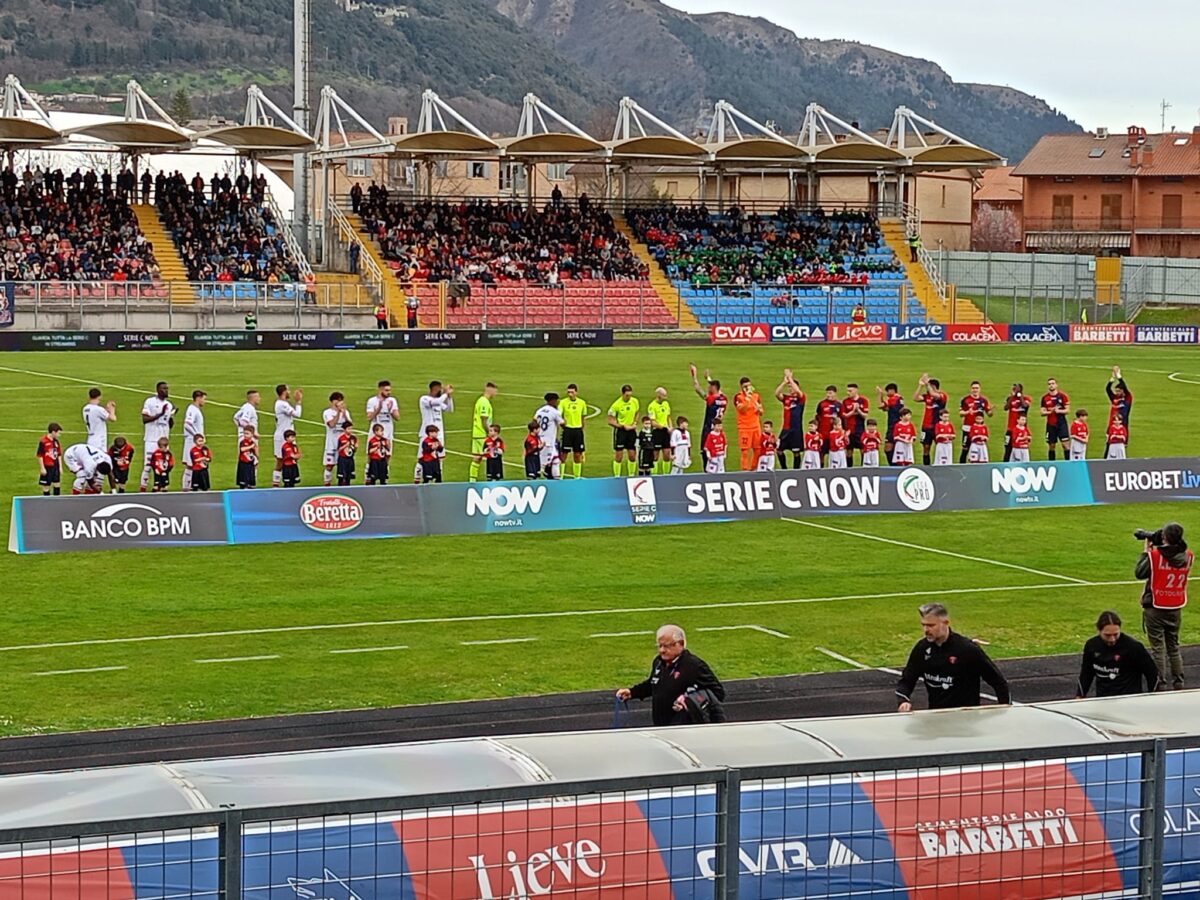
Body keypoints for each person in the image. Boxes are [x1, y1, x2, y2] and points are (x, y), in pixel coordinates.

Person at [896, 602, 1011, 711]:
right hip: (936, 718)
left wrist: (1006, 711)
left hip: (967, 719)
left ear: (945, 623)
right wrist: (903, 700)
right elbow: (907, 680)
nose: (926, 630)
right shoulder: (922, 649)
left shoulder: (967, 650)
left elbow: (998, 681)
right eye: (924, 625)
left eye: (931, 625)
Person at [615, 625, 726, 726]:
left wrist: (689, 702)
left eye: (667, 646)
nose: (662, 650)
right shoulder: (658, 662)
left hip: (686, 728)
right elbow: (654, 684)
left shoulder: (694, 665)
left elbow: (718, 692)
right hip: (662, 725)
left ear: (681, 644)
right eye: (660, 645)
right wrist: (632, 692)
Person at [1136, 523, 1193, 691]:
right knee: (1174, 647)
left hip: (1156, 605)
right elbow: (1174, 555)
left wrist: (1146, 552)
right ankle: (1179, 681)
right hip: (1175, 605)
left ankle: (1160, 683)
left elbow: (1140, 573)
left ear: (1164, 538)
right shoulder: (1188, 556)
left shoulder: (1155, 556)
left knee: (1158, 648)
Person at [1076, 611, 1159, 698]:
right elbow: (1086, 673)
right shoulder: (1092, 646)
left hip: (1129, 700)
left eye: (1116, 634)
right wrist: (1080, 695)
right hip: (1103, 699)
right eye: (1107, 635)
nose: (1112, 639)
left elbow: (1152, 673)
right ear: (1099, 630)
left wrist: (1152, 697)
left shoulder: (1133, 647)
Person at [417, 381, 454, 483]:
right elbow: (436, 402)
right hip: (426, 434)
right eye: (440, 389)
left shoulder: (439, 401)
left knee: (439, 458)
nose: (441, 391)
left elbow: (450, 409)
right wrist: (446, 393)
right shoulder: (424, 399)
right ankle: (417, 479)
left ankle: (438, 480)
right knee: (422, 458)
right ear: (434, 389)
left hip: (439, 434)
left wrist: (449, 397)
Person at [690, 365, 727, 468]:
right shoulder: (724, 399)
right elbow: (718, 391)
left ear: (714, 388)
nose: (708, 388)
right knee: (719, 452)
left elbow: (697, 389)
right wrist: (708, 379)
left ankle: (707, 472)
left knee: (705, 451)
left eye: (710, 386)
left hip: (709, 429)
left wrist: (694, 376)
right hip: (719, 429)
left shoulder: (711, 400)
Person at [140, 382, 174, 492]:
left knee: (163, 466)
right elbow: (145, 420)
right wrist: (160, 413)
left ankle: (160, 488)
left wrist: (171, 417)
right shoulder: (150, 402)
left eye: (167, 388)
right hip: (151, 438)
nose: (166, 390)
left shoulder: (169, 405)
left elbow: (169, 423)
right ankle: (143, 488)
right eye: (164, 388)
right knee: (148, 465)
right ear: (158, 390)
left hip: (163, 440)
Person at [273, 385, 303, 488]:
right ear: (284, 392)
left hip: (287, 435)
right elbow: (297, 414)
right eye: (288, 390)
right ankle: (276, 484)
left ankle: (290, 481)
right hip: (283, 436)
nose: (290, 392)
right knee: (281, 460)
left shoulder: (282, 403)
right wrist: (298, 402)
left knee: (291, 460)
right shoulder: (282, 404)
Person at [915, 374, 948, 466]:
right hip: (926, 426)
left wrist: (927, 384)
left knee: (940, 446)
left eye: (929, 386)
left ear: (934, 387)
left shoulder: (942, 396)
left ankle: (941, 464)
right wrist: (920, 385)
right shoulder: (927, 397)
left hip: (937, 426)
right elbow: (915, 398)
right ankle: (927, 466)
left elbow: (934, 395)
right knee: (926, 447)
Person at [776, 369, 806, 469]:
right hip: (786, 429)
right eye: (789, 387)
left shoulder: (801, 398)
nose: (790, 389)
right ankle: (784, 468)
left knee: (796, 452)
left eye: (791, 387)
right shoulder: (786, 399)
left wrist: (790, 379)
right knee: (779, 449)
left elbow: (798, 391)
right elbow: (777, 394)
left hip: (796, 429)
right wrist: (784, 382)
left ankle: (796, 471)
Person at [607, 384, 640, 477]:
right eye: (627, 395)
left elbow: (637, 412)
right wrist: (621, 426)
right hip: (621, 431)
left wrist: (635, 423)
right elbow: (610, 420)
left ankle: (631, 475)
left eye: (630, 395)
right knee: (619, 455)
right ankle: (617, 476)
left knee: (632, 454)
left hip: (631, 431)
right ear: (622, 394)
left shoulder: (635, 401)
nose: (629, 397)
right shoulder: (616, 405)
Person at [469, 383, 498, 482]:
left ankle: (472, 480)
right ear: (490, 389)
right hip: (482, 434)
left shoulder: (480, 400)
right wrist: (489, 432)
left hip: (477, 433)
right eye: (495, 391)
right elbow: (484, 419)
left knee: (477, 458)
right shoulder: (484, 402)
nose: (496, 393)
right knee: (491, 456)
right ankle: (492, 478)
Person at [733, 376, 764, 471]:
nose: (747, 388)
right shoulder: (738, 397)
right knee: (745, 451)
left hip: (756, 427)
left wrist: (760, 410)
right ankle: (745, 470)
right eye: (745, 386)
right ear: (741, 387)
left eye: (749, 386)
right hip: (744, 428)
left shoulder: (756, 396)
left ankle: (753, 469)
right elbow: (742, 410)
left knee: (758, 449)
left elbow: (761, 411)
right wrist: (747, 398)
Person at [958, 381, 993, 464]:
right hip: (968, 428)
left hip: (979, 428)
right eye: (973, 388)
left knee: (979, 448)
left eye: (976, 388)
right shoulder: (965, 400)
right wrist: (967, 412)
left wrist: (991, 411)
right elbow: (960, 414)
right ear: (971, 389)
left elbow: (989, 414)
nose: (975, 390)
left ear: (980, 389)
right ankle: (961, 467)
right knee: (965, 448)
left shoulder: (983, 400)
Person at [560, 384, 589, 479]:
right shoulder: (563, 402)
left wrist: (582, 430)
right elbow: (559, 416)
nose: (570, 394)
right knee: (564, 453)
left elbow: (583, 417)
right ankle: (560, 476)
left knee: (577, 454)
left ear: (576, 392)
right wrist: (564, 426)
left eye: (572, 392)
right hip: (568, 430)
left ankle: (577, 476)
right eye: (568, 392)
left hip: (578, 430)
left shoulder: (582, 403)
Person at [323, 392, 351, 487]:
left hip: (343, 444)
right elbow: (332, 424)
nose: (339, 402)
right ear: (332, 401)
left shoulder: (345, 412)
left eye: (340, 400)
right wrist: (338, 413)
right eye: (337, 400)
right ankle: (327, 483)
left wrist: (344, 414)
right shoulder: (327, 412)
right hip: (331, 443)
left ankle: (343, 483)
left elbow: (349, 425)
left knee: (343, 464)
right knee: (329, 465)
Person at [534, 392, 565, 480]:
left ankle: (556, 479)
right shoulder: (555, 412)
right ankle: (547, 481)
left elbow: (534, 421)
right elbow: (563, 424)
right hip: (549, 440)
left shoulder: (540, 410)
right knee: (545, 463)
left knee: (555, 460)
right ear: (553, 401)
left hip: (540, 438)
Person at [1040, 377, 1071, 461]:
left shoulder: (1062, 396)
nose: (1051, 385)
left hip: (1061, 423)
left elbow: (1067, 410)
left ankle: (1068, 463)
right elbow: (1042, 412)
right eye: (1049, 384)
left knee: (1065, 444)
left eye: (1053, 383)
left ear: (1056, 385)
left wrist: (1059, 411)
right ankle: (1052, 463)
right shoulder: (1045, 398)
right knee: (1051, 445)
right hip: (1051, 424)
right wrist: (1050, 412)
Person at [839, 384, 869, 468]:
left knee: (862, 449)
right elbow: (844, 415)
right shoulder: (845, 401)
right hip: (849, 429)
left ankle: (863, 468)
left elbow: (865, 415)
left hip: (860, 429)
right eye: (847, 391)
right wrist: (853, 411)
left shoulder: (863, 400)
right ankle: (849, 469)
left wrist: (858, 410)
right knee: (849, 450)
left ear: (856, 390)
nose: (848, 393)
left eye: (850, 391)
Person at [874, 383, 904, 466]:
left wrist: (879, 394)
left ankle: (893, 466)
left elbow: (880, 405)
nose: (887, 394)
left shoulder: (893, 398)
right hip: (898, 425)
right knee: (895, 447)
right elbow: (886, 408)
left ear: (892, 390)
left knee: (888, 448)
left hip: (893, 426)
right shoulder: (899, 399)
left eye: (887, 391)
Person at [182, 390, 206, 491]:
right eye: (204, 399)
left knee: (194, 465)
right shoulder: (192, 409)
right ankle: (186, 488)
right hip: (191, 441)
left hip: (195, 441)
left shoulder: (196, 409)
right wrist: (197, 435)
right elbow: (187, 424)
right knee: (190, 465)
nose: (204, 402)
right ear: (198, 398)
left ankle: (191, 486)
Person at [1105, 366, 1133, 454]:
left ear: (1123, 391)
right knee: (1109, 444)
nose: (1117, 393)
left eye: (1119, 391)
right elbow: (1107, 389)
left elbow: (1125, 387)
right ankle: (1105, 462)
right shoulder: (1114, 398)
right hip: (1111, 424)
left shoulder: (1127, 398)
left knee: (1122, 447)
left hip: (1123, 424)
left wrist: (1119, 376)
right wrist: (1112, 378)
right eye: (1116, 391)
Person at [1002, 383, 1031, 463]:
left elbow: (1025, 406)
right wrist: (1012, 397)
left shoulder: (1026, 398)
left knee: (1022, 448)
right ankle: (1005, 465)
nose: (1014, 390)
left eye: (1016, 389)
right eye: (1014, 389)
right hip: (1010, 429)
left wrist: (1020, 396)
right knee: (1007, 448)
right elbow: (1006, 408)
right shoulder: (1010, 398)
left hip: (1021, 430)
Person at [366, 380, 400, 448]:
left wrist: (390, 409)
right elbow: (369, 418)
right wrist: (378, 409)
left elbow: (397, 418)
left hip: (388, 431)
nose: (389, 392)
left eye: (390, 390)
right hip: (375, 432)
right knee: (373, 454)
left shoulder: (392, 400)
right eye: (386, 390)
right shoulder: (372, 401)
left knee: (387, 453)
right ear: (380, 390)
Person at [647, 387, 673, 475]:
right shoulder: (652, 406)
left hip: (666, 432)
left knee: (667, 454)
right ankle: (654, 475)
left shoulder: (666, 404)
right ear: (658, 395)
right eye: (664, 396)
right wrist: (663, 427)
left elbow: (668, 417)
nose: (666, 398)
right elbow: (653, 422)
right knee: (655, 455)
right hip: (657, 432)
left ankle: (666, 475)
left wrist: (670, 427)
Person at [815, 385, 841, 465]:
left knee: (834, 452)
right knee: (821, 453)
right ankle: (821, 469)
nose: (828, 395)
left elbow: (841, 418)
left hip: (834, 434)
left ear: (835, 394)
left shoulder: (839, 405)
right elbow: (817, 416)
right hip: (823, 433)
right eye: (827, 393)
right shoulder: (822, 404)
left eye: (830, 393)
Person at [36, 423, 63, 496]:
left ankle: (57, 502)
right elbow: (40, 455)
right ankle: (47, 502)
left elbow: (59, 454)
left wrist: (60, 467)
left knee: (57, 484)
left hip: (55, 466)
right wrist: (42, 468)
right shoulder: (43, 442)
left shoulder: (56, 441)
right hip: (47, 467)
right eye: (58, 433)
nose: (59, 435)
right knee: (46, 486)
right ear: (53, 432)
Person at [234, 390, 261, 454]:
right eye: (258, 397)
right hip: (248, 439)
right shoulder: (249, 408)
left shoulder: (245, 406)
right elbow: (243, 421)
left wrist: (240, 429)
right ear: (254, 398)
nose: (260, 399)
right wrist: (253, 433)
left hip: (245, 437)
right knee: (251, 461)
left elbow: (236, 418)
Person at [237, 424, 259, 489]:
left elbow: (256, 453)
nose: (245, 435)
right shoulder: (243, 442)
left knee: (250, 476)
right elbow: (242, 449)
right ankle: (243, 485)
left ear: (252, 434)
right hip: (243, 462)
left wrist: (257, 458)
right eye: (244, 433)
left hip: (250, 463)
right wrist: (251, 446)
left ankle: (250, 485)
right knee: (243, 477)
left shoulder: (253, 442)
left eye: (247, 433)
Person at [336, 421, 358, 486]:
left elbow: (354, 449)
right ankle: (339, 488)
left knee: (349, 476)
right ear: (344, 429)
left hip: (350, 459)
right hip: (342, 459)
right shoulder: (341, 438)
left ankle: (348, 487)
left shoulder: (353, 438)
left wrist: (356, 447)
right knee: (341, 476)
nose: (350, 430)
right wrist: (345, 445)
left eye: (351, 428)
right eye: (348, 429)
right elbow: (339, 449)